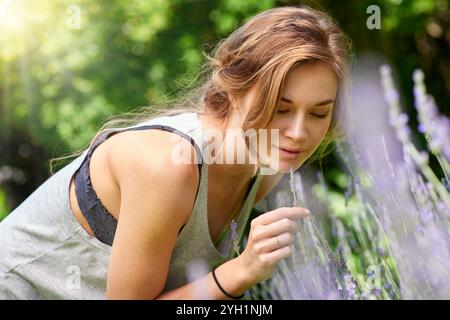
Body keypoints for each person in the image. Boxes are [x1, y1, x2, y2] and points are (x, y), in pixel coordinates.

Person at [0, 5, 351, 299]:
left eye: (319, 113)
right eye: (280, 108)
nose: (299, 133)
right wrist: (242, 270)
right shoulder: (169, 166)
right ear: (232, 85)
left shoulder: (265, 166)